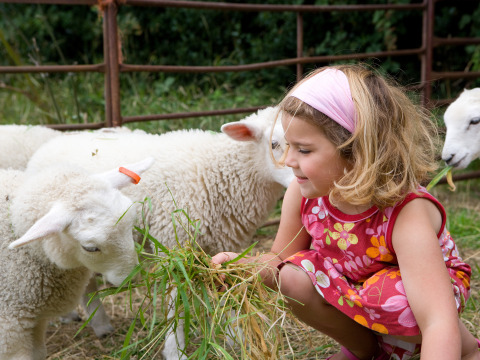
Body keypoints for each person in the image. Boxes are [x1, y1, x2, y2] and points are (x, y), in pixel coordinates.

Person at [212, 64, 480, 360]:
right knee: (291, 276)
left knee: (387, 293)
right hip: (357, 285)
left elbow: (436, 319)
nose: (288, 160)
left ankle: (467, 350)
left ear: (356, 150)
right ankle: (365, 351)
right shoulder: (303, 195)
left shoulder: (406, 211)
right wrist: (241, 267)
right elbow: (278, 259)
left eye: (303, 149)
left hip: (421, 293)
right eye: (288, 146)